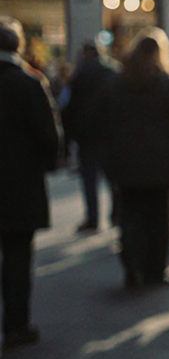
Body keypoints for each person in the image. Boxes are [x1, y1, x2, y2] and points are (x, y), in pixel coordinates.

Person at [98, 31, 169, 288]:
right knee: (159, 221)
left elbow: (103, 123)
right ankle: (155, 270)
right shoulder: (165, 83)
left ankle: (132, 267)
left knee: (130, 217)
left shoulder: (117, 83)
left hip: (126, 164)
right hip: (161, 165)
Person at [0, 17, 61, 350]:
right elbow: (48, 137)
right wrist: (48, 164)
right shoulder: (28, 83)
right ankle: (15, 324)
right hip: (19, 185)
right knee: (17, 256)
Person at [61, 42, 118, 233]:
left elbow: (70, 108)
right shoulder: (113, 71)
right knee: (113, 178)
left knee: (89, 179)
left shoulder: (80, 75)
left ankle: (93, 218)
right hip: (110, 133)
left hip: (87, 135)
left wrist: (67, 142)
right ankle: (116, 214)